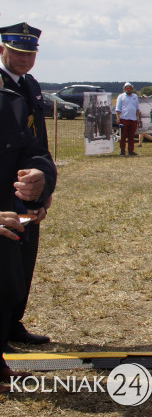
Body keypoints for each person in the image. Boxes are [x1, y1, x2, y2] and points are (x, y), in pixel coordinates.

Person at [0, 22, 53, 347]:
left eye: (29, 53)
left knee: (24, 256)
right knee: (5, 263)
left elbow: (38, 141)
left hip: (27, 183)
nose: (24, 59)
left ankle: (13, 322)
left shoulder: (29, 85)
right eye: (17, 52)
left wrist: (44, 188)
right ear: (2, 50)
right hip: (5, 186)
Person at [0, 84, 57, 384]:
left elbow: (34, 153)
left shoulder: (11, 105)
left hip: (7, 223)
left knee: (8, 287)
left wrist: (40, 182)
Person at [115, 82, 141, 156]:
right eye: (127, 88)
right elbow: (118, 109)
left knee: (131, 137)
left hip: (133, 119)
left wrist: (137, 117)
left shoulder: (135, 96)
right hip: (124, 119)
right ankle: (122, 151)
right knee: (123, 136)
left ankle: (131, 151)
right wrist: (118, 118)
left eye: (130, 88)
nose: (128, 89)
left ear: (132, 89)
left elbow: (137, 108)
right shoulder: (121, 97)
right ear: (124, 89)